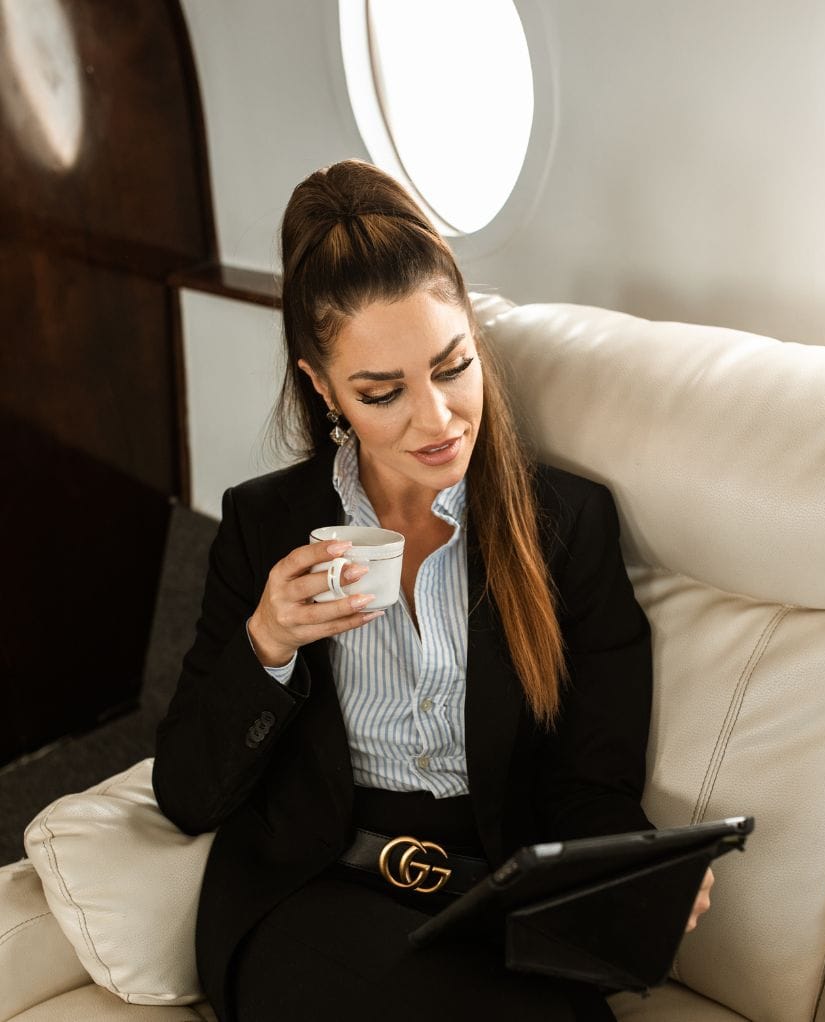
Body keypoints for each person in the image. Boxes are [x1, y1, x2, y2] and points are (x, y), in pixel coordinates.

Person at [153, 159, 712, 1022]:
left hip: (493, 894)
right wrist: (266, 645)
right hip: (313, 893)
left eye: (453, 368)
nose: (439, 420)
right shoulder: (265, 526)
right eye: (383, 393)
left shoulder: (566, 526)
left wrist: (631, 874)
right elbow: (187, 793)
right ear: (323, 389)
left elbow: (592, 781)